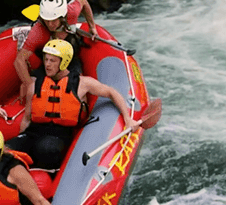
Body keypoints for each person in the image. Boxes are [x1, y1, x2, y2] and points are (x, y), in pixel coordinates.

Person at [8, 39, 139, 169]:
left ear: (64, 62)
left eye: (52, 61)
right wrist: (20, 139)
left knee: (46, 149)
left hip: (59, 136)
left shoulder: (82, 83)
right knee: (3, 150)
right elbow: (26, 119)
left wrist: (127, 119)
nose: (47, 64)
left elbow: (111, 92)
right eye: (46, 59)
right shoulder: (35, 85)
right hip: (33, 133)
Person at [14, 0, 97, 96]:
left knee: (78, 85)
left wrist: (92, 27)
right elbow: (19, 61)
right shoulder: (38, 32)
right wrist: (28, 83)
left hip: (71, 58)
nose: (50, 24)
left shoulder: (71, 11)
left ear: (62, 17)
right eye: (46, 20)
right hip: (48, 63)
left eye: (54, 20)